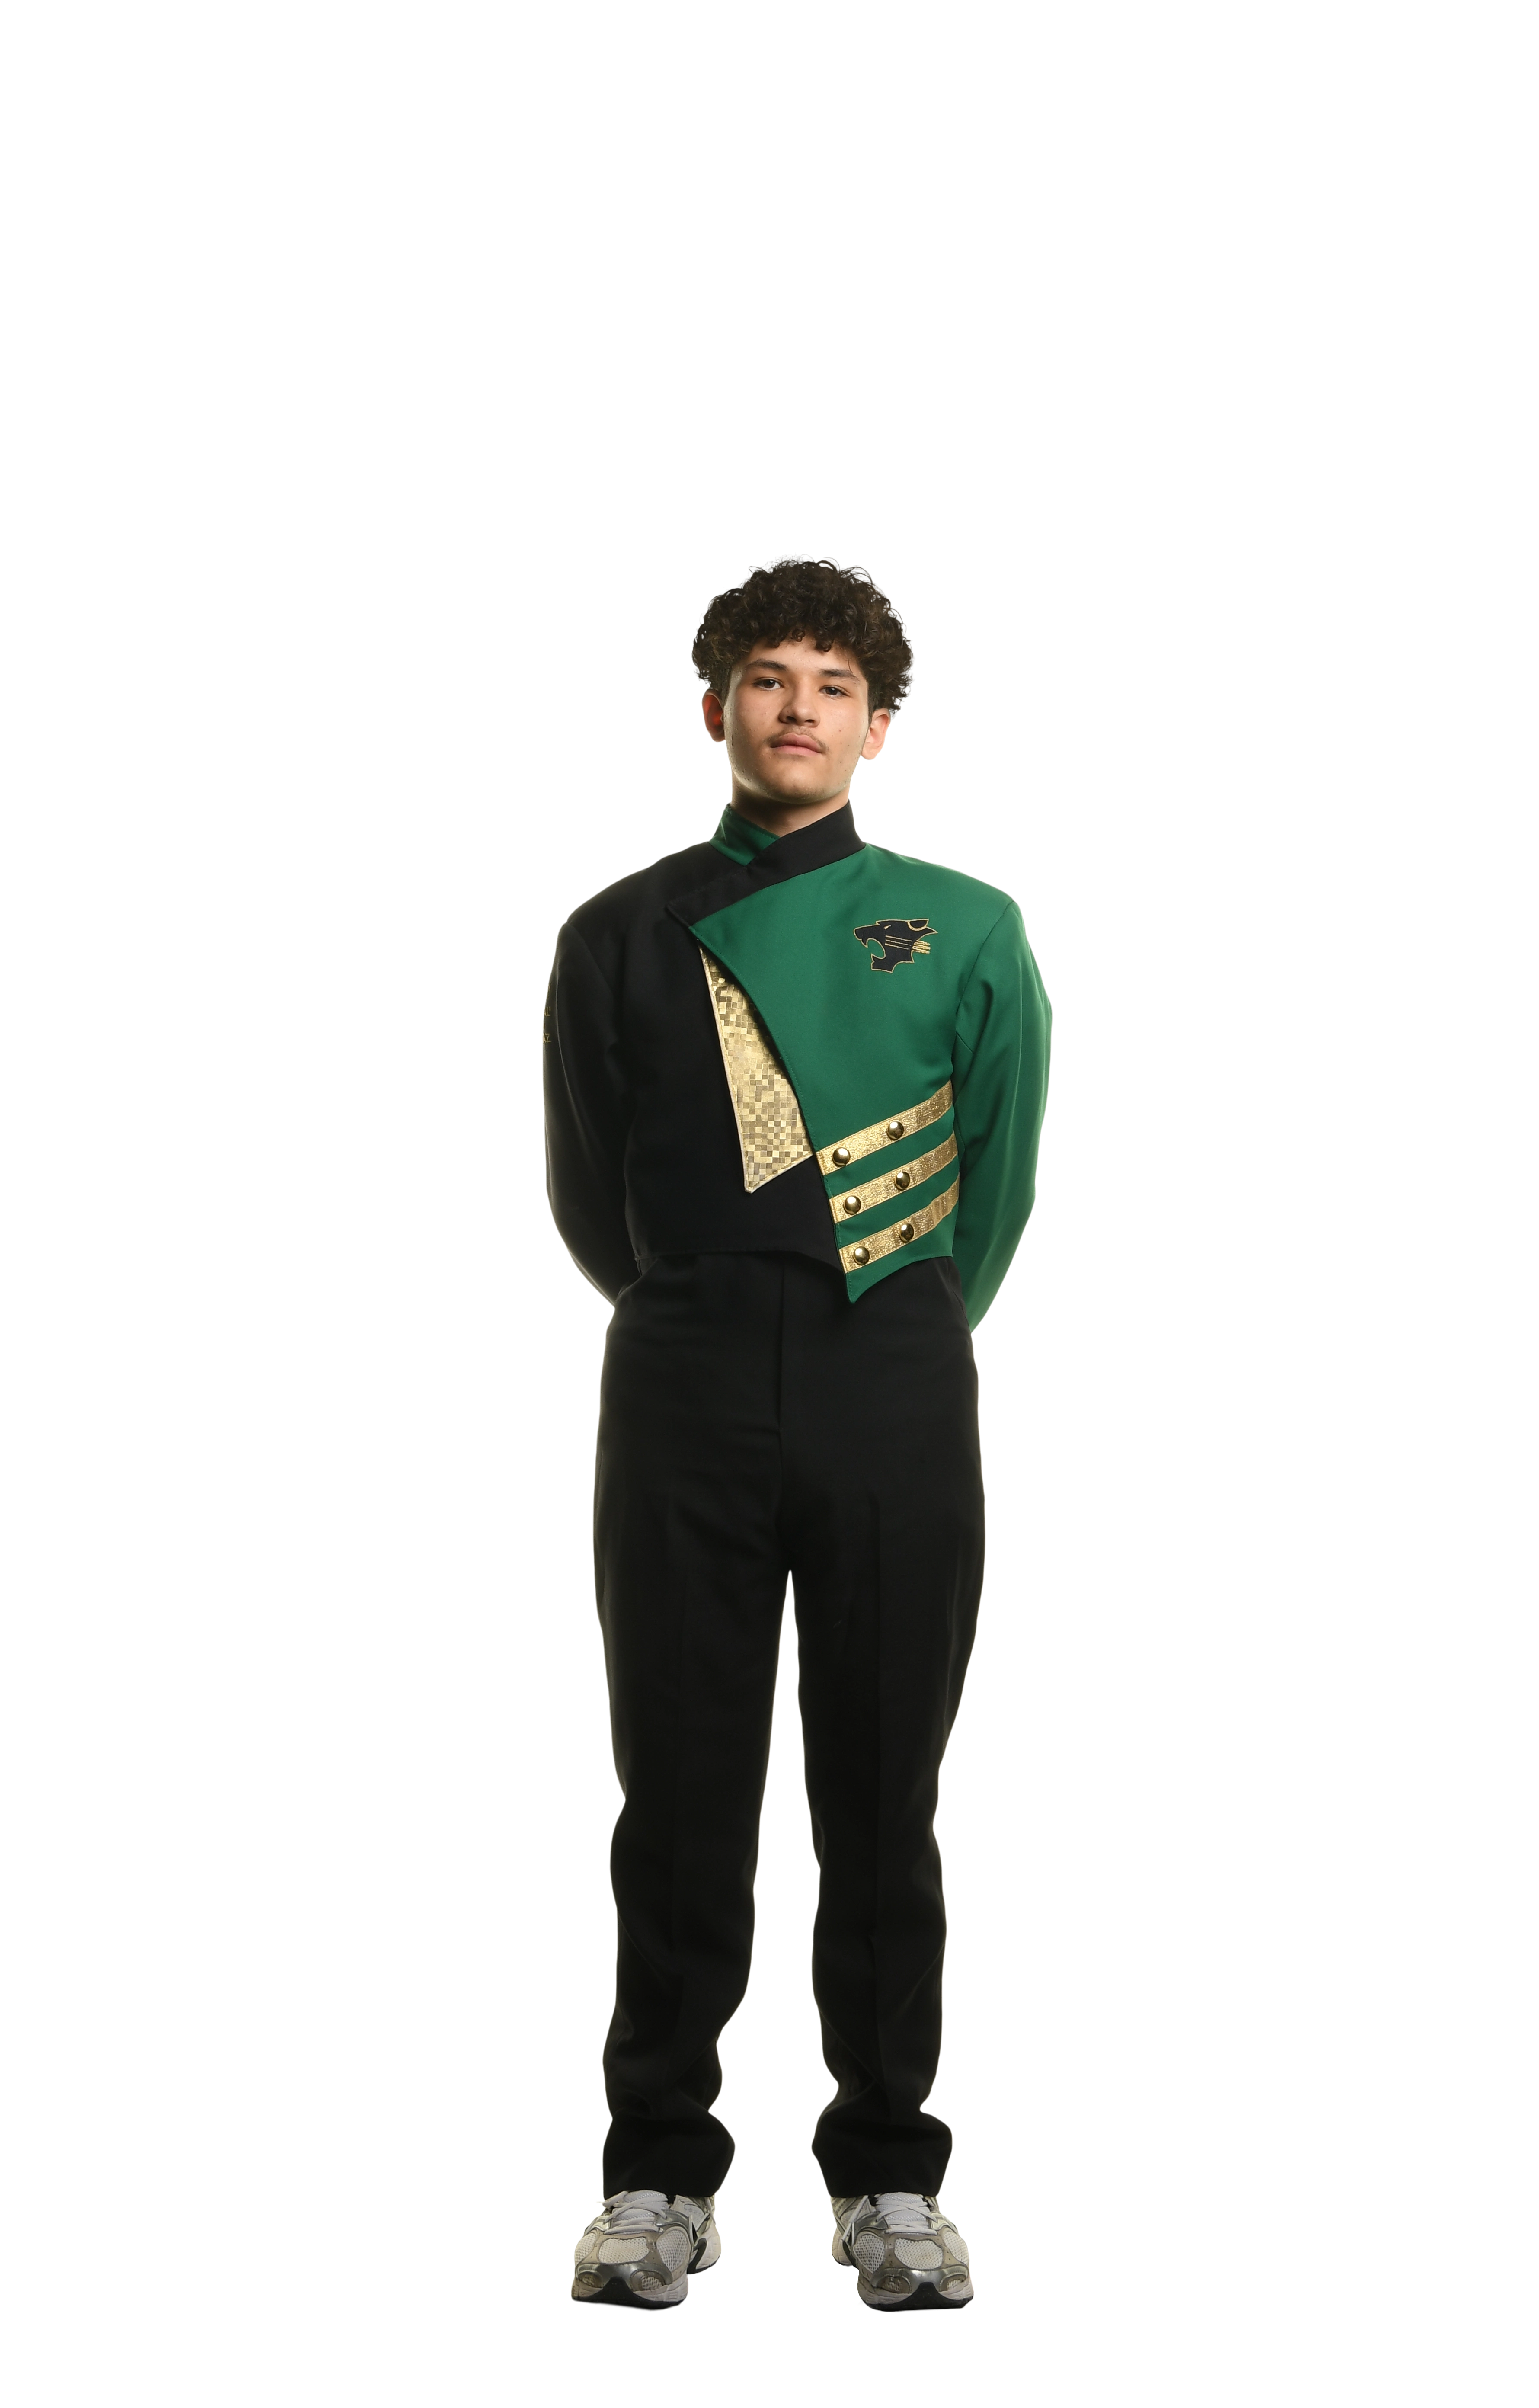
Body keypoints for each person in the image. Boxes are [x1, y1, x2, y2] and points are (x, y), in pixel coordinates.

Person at [548, 554, 1051, 2311]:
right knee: (679, 1794)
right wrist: (707, 1308)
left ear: (880, 722)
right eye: (769, 677)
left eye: (837, 684)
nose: (800, 710)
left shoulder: (965, 923)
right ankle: (654, 2180)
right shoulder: (615, 932)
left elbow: (996, 1180)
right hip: (679, 1380)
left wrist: (892, 1320)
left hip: (892, 1375)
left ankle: (890, 2178)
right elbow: (590, 1194)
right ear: (717, 704)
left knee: (882, 1796)